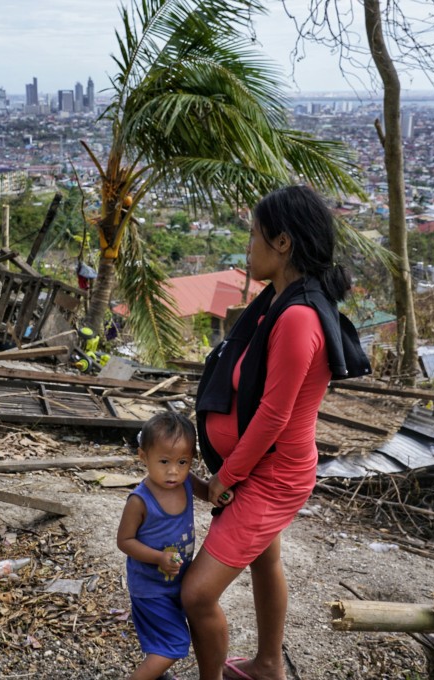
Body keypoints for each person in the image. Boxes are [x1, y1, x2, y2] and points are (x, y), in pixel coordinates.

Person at [181, 184, 359, 680]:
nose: (248, 245)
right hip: (261, 466)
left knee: (197, 594)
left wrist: (227, 477)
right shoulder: (280, 300)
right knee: (264, 560)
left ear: (282, 243)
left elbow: (274, 416)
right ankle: (267, 666)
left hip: (272, 473)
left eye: (253, 235)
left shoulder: (298, 317)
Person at [117, 412, 233, 680]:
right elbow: (124, 541)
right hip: (151, 588)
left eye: (182, 462)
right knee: (173, 645)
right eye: (164, 461)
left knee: (164, 637)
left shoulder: (187, 481)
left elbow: (209, 493)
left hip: (177, 582)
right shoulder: (140, 501)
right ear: (143, 457)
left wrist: (223, 495)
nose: (173, 471)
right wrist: (158, 557)